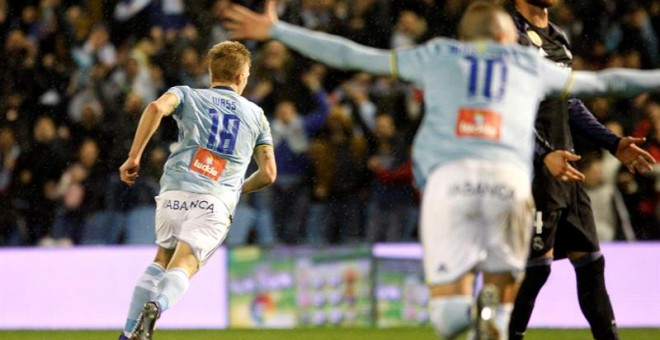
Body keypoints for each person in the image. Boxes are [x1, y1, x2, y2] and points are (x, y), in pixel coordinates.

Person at [223, 0, 660, 338]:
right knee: (512, 290)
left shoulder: (435, 55)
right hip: (510, 184)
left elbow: (352, 55)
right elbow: (610, 82)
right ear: (509, 36)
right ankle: (495, 314)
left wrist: (278, 29)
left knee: (450, 313)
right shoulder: (527, 63)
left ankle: (464, 317)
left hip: (450, 185)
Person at [507, 2, 656, 339]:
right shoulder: (509, 35)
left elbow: (569, 102)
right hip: (535, 171)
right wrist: (543, 153)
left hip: (567, 168)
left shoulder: (558, 36)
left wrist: (613, 143)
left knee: (591, 264)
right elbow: (509, 106)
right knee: (536, 271)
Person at [117, 41, 276, 340]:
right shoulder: (256, 115)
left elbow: (155, 108)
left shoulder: (187, 94)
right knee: (184, 264)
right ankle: (157, 306)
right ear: (242, 77)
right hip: (215, 201)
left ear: (211, 71)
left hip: (175, 191)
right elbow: (268, 173)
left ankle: (128, 336)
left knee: (160, 260)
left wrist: (134, 156)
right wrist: (237, 188)